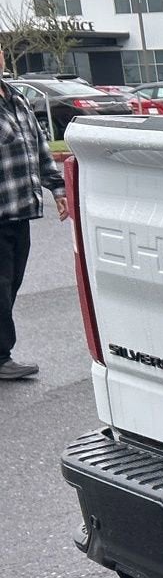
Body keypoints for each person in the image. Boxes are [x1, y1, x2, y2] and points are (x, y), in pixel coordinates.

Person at [0, 50, 67, 381]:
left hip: (20, 210)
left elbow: (39, 148)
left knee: (12, 283)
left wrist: (58, 189)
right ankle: (1, 357)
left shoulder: (16, 98)